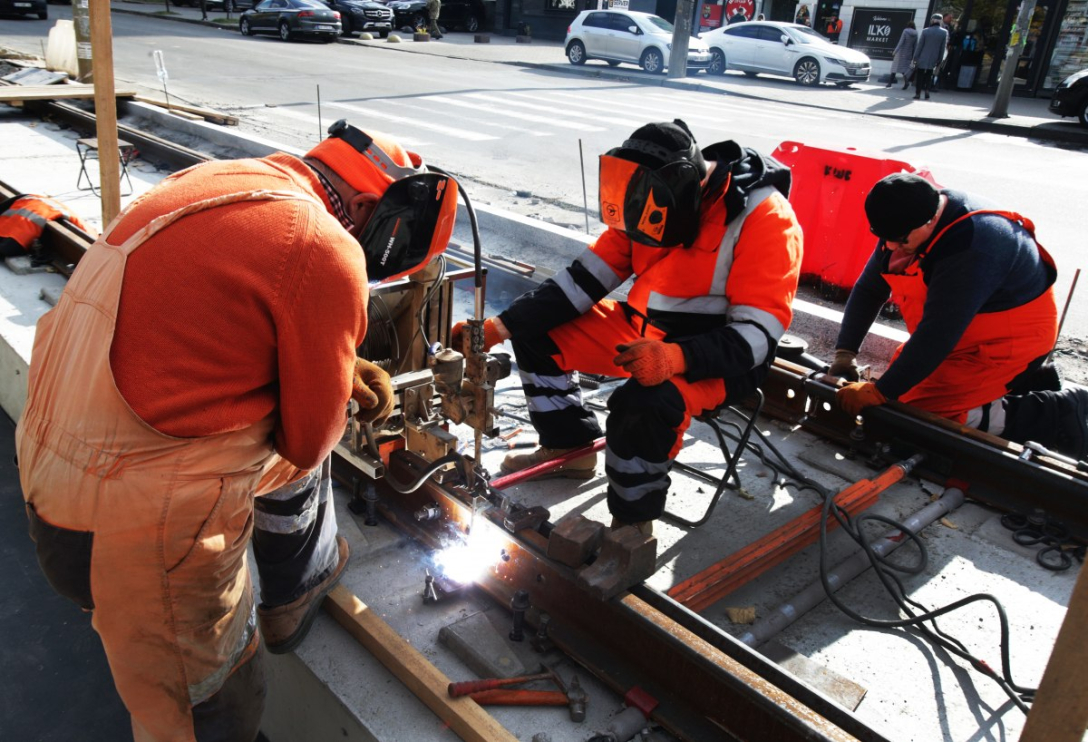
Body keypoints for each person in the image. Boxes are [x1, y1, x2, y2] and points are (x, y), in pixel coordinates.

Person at [15, 120, 457, 741]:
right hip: (132, 539)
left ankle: (265, 591)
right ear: (364, 209)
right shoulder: (324, 244)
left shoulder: (222, 182)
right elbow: (309, 441)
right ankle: (294, 590)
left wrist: (333, 357)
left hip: (52, 478)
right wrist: (330, 388)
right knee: (210, 712)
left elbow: (210, 326)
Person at [455, 120, 803, 533]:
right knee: (536, 330)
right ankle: (569, 445)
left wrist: (678, 357)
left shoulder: (766, 218)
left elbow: (757, 337)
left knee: (641, 407)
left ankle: (632, 527)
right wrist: (501, 327)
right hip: (644, 335)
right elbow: (580, 281)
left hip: (719, 360)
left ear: (686, 191)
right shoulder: (646, 197)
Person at [830, 173, 1088, 461]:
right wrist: (845, 353)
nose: (890, 247)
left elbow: (937, 336)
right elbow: (869, 289)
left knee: (921, 412)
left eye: (899, 240)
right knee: (903, 392)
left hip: (1007, 342)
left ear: (929, 220)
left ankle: (1052, 410)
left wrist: (881, 392)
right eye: (884, 239)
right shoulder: (907, 217)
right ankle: (1006, 390)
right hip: (961, 331)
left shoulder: (973, 244)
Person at [912, 13, 948, 99]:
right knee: (929, 75)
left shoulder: (926, 31)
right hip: (934, 58)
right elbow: (942, 48)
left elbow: (920, 46)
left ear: (932, 20)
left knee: (920, 75)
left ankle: (918, 93)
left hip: (923, 57)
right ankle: (927, 91)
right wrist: (940, 59)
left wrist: (915, 57)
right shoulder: (944, 32)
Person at [887, 21, 917, 88]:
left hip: (901, 52)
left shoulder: (905, 31)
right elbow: (915, 46)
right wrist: (914, 55)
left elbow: (901, 42)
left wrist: (895, 51)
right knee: (904, 69)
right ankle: (906, 82)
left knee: (894, 68)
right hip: (908, 53)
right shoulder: (916, 33)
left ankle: (889, 83)